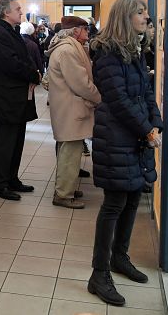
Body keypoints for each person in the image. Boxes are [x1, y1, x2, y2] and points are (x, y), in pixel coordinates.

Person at [87, 0, 163, 307]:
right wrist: (145, 129)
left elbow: (146, 91)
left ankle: (120, 257)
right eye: (141, 12)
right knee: (114, 203)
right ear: (124, 17)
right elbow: (117, 100)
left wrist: (155, 122)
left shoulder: (134, 52)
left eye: (146, 11)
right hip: (116, 137)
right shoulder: (107, 54)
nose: (147, 17)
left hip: (134, 135)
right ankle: (99, 273)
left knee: (133, 197)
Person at [0, 0, 40, 200]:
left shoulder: (11, 32)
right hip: (6, 97)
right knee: (5, 142)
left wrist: (32, 72)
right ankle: (0, 184)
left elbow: (22, 59)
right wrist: (33, 74)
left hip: (17, 97)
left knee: (16, 140)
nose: (21, 12)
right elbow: (11, 63)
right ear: (6, 12)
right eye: (18, 9)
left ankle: (12, 178)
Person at [46, 16, 101, 210]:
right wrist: (99, 97)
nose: (88, 33)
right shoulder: (68, 51)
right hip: (70, 108)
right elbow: (81, 84)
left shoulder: (68, 47)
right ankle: (63, 194)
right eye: (85, 29)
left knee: (68, 152)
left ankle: (65, 188)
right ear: (75, 31)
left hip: (68, 107)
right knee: (70, 153)